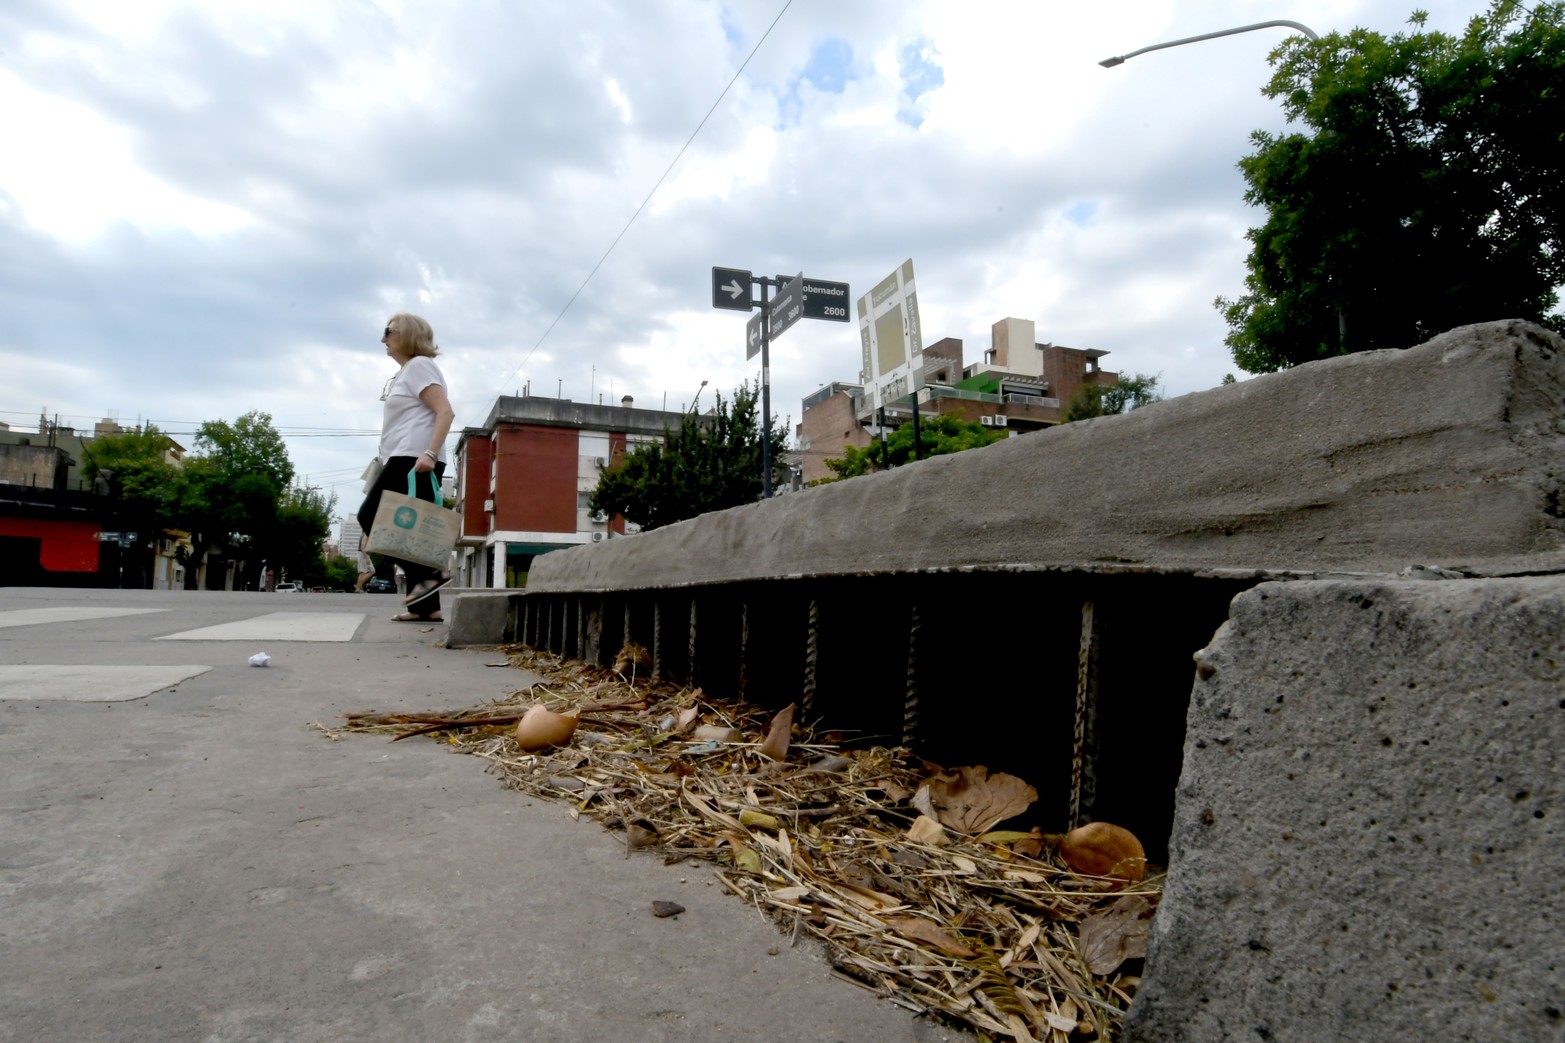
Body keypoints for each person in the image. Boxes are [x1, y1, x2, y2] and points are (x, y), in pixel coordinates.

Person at [357, 313, 456, 622]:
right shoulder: (407, 372)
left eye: (389, 331)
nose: (383, 338)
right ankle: (427, 608)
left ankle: (431, 573)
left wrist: (428, 453)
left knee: (370, 516)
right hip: (409, 455)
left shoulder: (419, 366)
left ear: (408, 335)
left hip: (414, 457)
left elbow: (445, 412)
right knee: (412, 530)